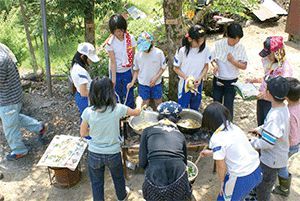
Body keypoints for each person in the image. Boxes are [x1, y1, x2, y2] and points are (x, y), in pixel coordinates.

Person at [80, 77, 142, 201]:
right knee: (118, 178)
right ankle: (122, 197)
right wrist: (139, 101)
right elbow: (137, 112)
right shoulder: (117, 108)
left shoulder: (88, 112)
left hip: (94, 154)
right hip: (113, 153)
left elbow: (83, 133)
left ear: (92, 93)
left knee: (97, 183)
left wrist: (97, 131)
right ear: (110, 92)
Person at [200, 102, 262, 201]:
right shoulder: (232, 127)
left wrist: (222, 183)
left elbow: (221, 166)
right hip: (257, 170)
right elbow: (232, 148)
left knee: (224, 199)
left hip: (242, 176)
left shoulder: (217, 138)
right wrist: (212, 153)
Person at [0, 43, 46, 161]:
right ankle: (39, 127)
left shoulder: (0, 60)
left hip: (8, 98)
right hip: (13, 95)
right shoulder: (2, 47)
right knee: (13, 118)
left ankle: (19, 150)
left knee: (9, 126)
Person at [139, 101, 192, 201]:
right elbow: (184, 163)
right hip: (178, 173)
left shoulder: (147, 131)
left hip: (155, 171)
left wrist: (153, 168)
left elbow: (142, 163)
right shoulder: (180, 135)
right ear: (176, 119)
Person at [250, 76, 290, 201]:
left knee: (264, 188)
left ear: (269, 94)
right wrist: (261, 129)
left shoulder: (274, 116)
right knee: (263, 182)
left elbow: (267, 143)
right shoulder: (282, 107)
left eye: (266, 88)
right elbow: (273, 129)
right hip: (276, 156)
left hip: (271, 160)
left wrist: (252, 142)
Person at [246, 36, 293, 126]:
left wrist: (266, 94)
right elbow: (267, 78)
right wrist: (253, 80)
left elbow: (282, 89)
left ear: (277, 53)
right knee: (260, 124)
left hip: (272, 102)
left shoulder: (285, 68)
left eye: (269, 54)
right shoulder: (270, 62)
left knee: (268, 125)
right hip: (261, 98)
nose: (267, 57)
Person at [212, 23, 248, 117]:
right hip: (218, 79)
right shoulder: (219, 44)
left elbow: (244, 66)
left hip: (232, 81)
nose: (236, 41)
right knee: (216, 104)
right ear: (228, 36)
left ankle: (228, 126)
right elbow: (212, 59)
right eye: (234, 39)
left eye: (238, 39)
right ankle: (215, 124)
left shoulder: (241, 47)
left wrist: (233, 61)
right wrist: (214, 65)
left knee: (228, 105)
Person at [272, 77, 300, 197]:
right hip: (297, 142)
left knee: (282, 165)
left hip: (290, 144)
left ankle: (284, 188)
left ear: (286, 96)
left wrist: (282, 144)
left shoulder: (289, 112)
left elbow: (291, 134)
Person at [173, 24, 211, 110]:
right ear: (190, 39)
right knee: (183, 108)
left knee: (195, 107)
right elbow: (175, 68)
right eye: (198, 41)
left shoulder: (206, 50)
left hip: (198, 83)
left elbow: (206, 66)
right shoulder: (182, 51)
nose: (201, 43)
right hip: (184, 84)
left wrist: (200, 78)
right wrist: (187, 78)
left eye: (202, 41)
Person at [127, 31, 167, 109]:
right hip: (143, 84)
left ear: (151, 43)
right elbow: (136, 70)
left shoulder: (158, 53)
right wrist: (132, 82)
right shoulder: (138, 55)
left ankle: (161, 118)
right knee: (144, 104)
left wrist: (155, 78)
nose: (144, 50)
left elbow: (163, 67)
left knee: (158, 102)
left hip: (156, 83)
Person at [105, 14, 137, 108]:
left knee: (128, 93)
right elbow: (113, 62)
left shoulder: (130, 38)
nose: (119, 33)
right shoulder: (110, 42)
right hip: (116, 71)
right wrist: (113, 79)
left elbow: (133, 56)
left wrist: (135, 74)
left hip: (127, 70)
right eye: (116, 31)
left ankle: (129, 115)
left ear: (124, 28)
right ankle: (118, 116)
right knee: (116, 94)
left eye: (120, 30)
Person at [70, 42, 100, 116]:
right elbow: (84, 92)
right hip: (86, 99)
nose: (91, 61)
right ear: (83, 57)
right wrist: (99, 96)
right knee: (89, 121)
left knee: (85, 119)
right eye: (90, 59)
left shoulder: (75, 66)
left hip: (80, 95)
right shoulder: (81, 71)